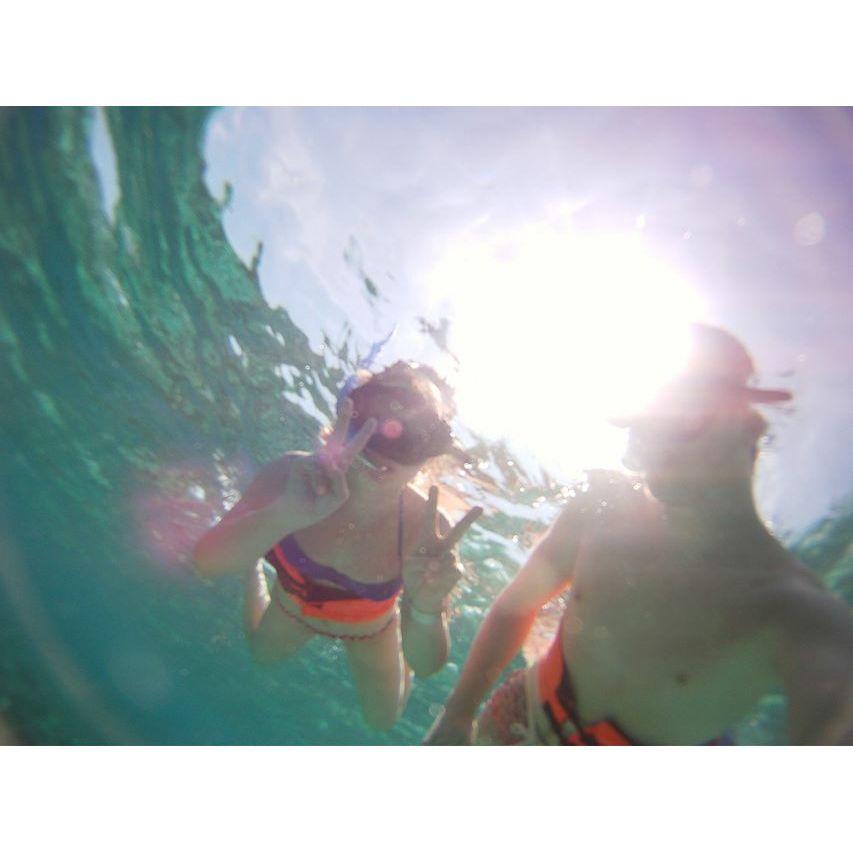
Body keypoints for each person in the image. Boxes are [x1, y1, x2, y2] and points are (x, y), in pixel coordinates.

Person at [425, 324, 853, 745]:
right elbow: (515, 607)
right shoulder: (600, 509)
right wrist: (458, 714)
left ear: (750, 428)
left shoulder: (795, 610)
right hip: (514, 720)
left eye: (683, 415)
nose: (655, 444)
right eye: (645, 424)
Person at [193, 361, 482, 730]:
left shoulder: (425, 528)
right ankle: (252, 568)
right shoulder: (291, 476)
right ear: (350, 410)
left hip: (372, 629)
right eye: (377, 414)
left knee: (383, 720)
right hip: (292, 607)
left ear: (432, 454)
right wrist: (281, 516)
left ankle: (402, 626)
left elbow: (426, 665)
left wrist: (425, 607)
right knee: (262, 656)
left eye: (418, 434)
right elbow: (204, 564)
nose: (389, 441)